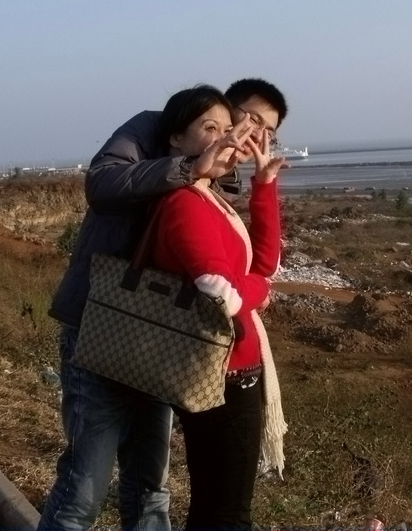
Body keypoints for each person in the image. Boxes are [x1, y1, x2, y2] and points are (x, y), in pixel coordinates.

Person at [37, 79, 288, 531]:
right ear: (227, 109)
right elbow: (102, 183)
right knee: (84, 491)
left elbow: (252, 262)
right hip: (102, 323)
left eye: (266, 130)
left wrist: (261, 184)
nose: (251, 133)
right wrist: (191, 167)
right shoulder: (155, 131)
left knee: (150, 487)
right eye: (248, 119)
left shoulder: (216, 178)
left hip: (162, 337)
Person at [148, 84, 286, 531]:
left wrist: (264, 186)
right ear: (176, 139)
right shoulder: (185, 202)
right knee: (226, 514)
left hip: (230, 369)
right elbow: (221, 291)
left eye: (265, 131)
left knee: (218, 507)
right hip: (222, 373)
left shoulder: (210, 198)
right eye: (213, 128)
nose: (234, 137)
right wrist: (259, 291)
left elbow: (265, 265)